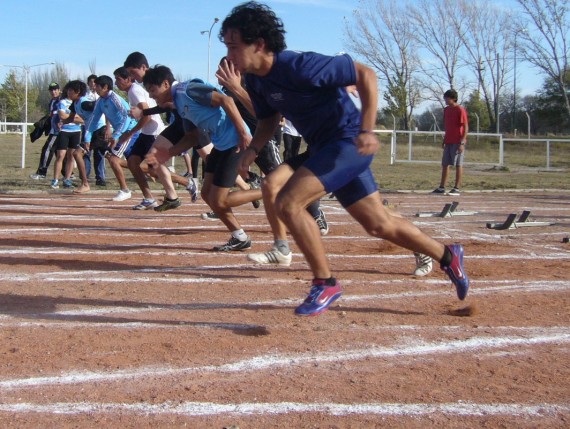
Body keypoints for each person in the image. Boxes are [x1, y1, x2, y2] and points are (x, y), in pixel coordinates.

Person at [220, 1, 469, 316]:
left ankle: (325, 282)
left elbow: (366, 75)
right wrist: (254, 149)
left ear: (259, 44)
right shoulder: (256, 81)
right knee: (379, 224)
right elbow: (268, 120)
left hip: (349, 143)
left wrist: (367, 129)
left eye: (233, 46)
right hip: (325, 148)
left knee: (288, 202)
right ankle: (449, 256)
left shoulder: (299, 65)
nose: (229, 54)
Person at [142, 65, 262, 251]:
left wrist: (242, 133)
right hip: (221, 145)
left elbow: (226, 100)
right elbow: (193, 136)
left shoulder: (188, 90)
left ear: (165, 84)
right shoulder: (179, 104)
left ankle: (270, 191)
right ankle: (240, 237)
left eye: (152, 90)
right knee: (207, 194)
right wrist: (169, 153)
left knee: (220, 200)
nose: (151, 96)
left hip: (234, 143)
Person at [124, 51, 210, 209]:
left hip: (193, 124)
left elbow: (163, 105)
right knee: (153, 157)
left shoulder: (170, 83)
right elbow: (164, 105)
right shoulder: (151, 82)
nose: (131, 77)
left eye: (132, 72)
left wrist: (143, 112)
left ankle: (245, 186)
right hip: (179, 125)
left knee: (213, 160)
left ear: (143, 67)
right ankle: (172, 197)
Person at [114, 67, 166, 210]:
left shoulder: (134, 91)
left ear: (128, 79)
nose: (116, 83)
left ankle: (187, 183)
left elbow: (147, 115)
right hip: (147, 133)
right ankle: (149, 198)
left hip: (154, 132)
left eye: (118, 79)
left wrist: (130, 133)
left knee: (153, 169)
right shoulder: (132, 91)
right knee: (133, 162)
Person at [84, 75, 138, 202]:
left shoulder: (114, 98)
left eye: (97, 86)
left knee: (113, 159)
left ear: (105, 87)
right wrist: (87, 137)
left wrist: (116, 135)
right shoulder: (101, 101)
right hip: (122, 133)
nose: (94, 88)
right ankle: (176, 179)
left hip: (130, 132)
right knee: (134, 164)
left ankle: (125, 190)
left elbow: (127, 117)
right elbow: (93, 120)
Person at [50, 82, 88, 190]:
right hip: (64, 131)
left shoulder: (81, 102)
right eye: (68, 90)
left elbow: (83, 119)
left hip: (76, 131)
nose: (69, 92)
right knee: (61, 155)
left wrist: (74, 118)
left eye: (71, 90)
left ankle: (67, 179)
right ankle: (55, 179)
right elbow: (62, 116)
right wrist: (74, 118)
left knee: (71, 156)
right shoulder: (63, 102)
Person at [432, 89, 468, 196]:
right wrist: (445, 139)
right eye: (445, 98)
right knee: (445, 164)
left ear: (453, 98)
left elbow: (465, 127)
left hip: (458, 141)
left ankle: (456, 187)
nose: (446, 100)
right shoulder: (446, 110)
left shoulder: (460, 110)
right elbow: (448, 127)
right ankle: (442, 187)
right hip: (448, 140)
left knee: (458, 164)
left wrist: (462, 142)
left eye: (447, 98)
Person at [30, 83, 61, 180]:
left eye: (55, 89)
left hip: (58, 131)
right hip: (53, 129)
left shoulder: (61, 100)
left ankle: (41, 173)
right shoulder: (52, 101)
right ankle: (69, 174)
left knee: (47, 149)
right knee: (57, 152)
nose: (53, 92)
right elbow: (52, 115)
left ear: (59, 90)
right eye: (51, 90)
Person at [82, 74, 107, 187]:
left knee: (99, 153)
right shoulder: (85, 96)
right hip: (87, 126)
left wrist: (107, 126)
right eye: (91, 82)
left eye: (95, 83)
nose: (93, 84)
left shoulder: (101, 96)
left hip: (100, 126)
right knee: (86, 152)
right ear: (88, 84)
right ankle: (85, 176)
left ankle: (100, 177)